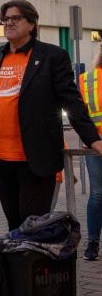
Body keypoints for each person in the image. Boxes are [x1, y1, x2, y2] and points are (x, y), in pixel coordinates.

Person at [0, 0, 102, 231]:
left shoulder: (52, 56)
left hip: (35, 158)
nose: (8, 23)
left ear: (32, 24)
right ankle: (13, 268)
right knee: (13, 223)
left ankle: (31, 266)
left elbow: (71, 100)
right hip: (1, 158)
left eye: (15, 18)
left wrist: (93, 139)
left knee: (33, 226)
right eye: (5, 19)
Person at [77, 45, 102, 260]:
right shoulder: (88, 80)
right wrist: (89, 139)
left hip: (94, 146)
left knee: (97, 195)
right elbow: (80, 114)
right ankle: (93, 242)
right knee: (97, 195)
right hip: (96, 147)